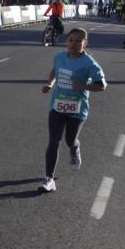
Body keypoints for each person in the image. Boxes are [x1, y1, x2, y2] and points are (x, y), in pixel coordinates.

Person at [38, 27, 106, 193]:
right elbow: (55, 70)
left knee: (70, 140)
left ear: (85, 43)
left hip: (78, 108)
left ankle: (75, 148)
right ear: (66, 42)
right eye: (71, 40)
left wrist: (84, 85)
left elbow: (102, 85)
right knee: (54, 140)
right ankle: (49, 179)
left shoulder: (90, 63)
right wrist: (50, 84)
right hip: (57, 105)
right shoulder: (60, 57)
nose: (74, 43)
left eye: (78, 40)